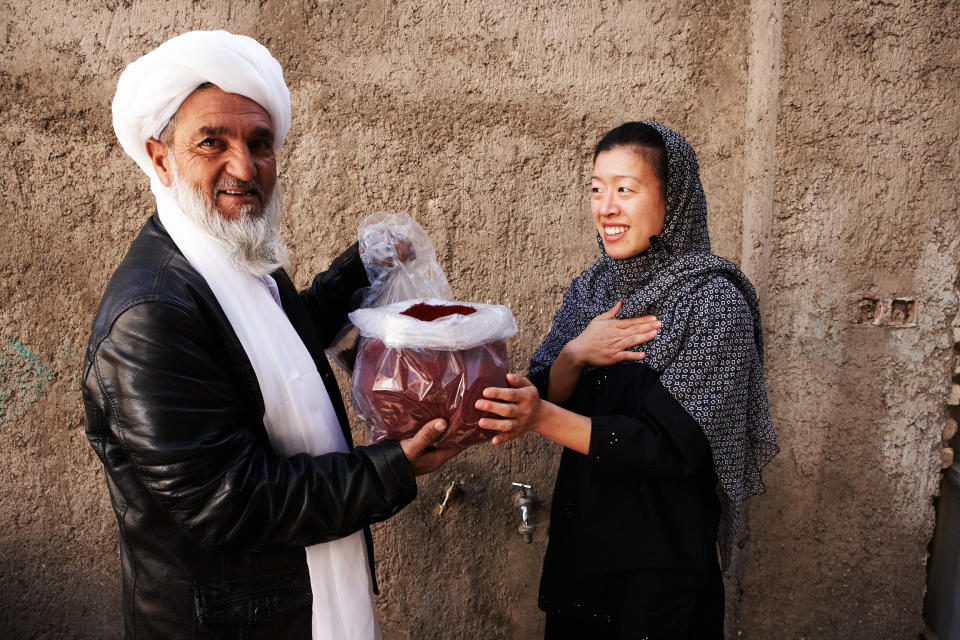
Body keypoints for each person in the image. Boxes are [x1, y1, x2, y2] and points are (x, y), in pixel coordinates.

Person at [82, 30, 457, 640]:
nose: (244, 166)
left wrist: (361, 269)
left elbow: (275, 352)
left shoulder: (234, 262)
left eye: (260, 143)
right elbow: (227, 501)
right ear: (160, 156)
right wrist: (392, 468)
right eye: (212, 142)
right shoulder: (151, 314)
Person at [477, 121, 778, 639]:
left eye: (625, 189)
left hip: (658, 574)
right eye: (597, 188)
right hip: (582, 550)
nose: (606, 207)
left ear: (672, 200)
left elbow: (667, 447)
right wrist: (577, 353)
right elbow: (546, 386)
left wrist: (541, 417)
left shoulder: (713, 302)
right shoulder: (593, 288)